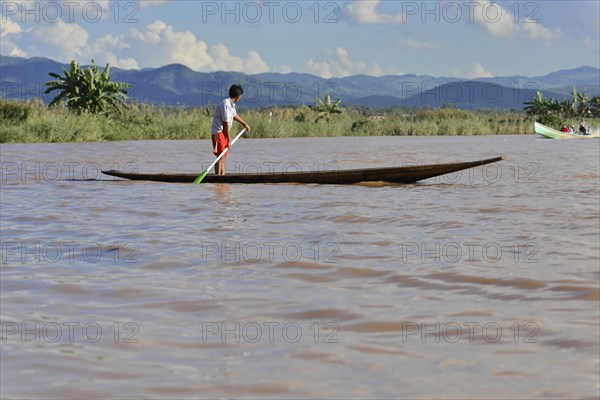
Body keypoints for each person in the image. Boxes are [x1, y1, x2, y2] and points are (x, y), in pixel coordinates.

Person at [211, 84, 250, 175]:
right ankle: (218, 177)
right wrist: (229, 140)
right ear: (237, 97)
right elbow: (226, 124)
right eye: (240, 96)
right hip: (219, 132)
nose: (240, 98)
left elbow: (234, 115)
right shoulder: (226, 105)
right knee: (220, 156)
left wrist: (244, 123)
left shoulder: (231, 105)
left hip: (224, 132)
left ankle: (223, 176)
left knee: (223, 157)